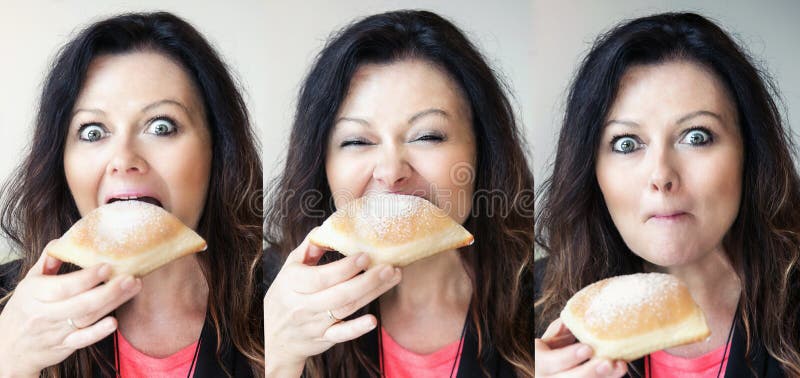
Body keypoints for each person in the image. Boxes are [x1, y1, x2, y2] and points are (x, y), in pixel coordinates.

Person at [263, 10, 534, 378]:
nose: (391, 172)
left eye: (427, 136)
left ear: (482, 151)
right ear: (321, 164)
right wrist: (280, 359)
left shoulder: (540, 299)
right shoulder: (264, 291)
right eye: (357, 141)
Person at [533, 12, 800, 378]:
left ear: (749, 153)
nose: (661, 175)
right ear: (591, 170)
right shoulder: (529, 313)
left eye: (696, 137)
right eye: (626, 143)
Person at [0, 12, 264, 377]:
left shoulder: (281, 301)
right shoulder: (6, 314)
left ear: (217, 151)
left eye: (161, 126)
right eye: (93, 132)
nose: (124, 160)